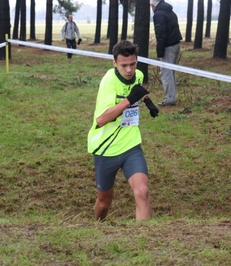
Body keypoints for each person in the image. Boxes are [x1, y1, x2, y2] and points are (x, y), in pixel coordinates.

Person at [87, 40, 159, 221]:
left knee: (142, 191)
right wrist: (128, 100)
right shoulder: (108, 82)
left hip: (130, 144)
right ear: (114, 63)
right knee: (104, 202)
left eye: (132, 64)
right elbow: (101, 119)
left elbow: (137, 90)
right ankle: (97, 228)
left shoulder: (139, 75)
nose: (129, 70)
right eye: (123, 65)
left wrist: (148, 102)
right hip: (106, 148)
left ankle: (143, 242)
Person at [150, 0, 182, 107]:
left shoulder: (158, 14)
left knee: (166, 73)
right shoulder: (170, 11)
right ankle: (171, 96)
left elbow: (161, 33)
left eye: (151, 5)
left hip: (168, 47)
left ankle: (169, 99)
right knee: (171, 72)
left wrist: (160, 51)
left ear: (154, 5)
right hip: (176, 44)